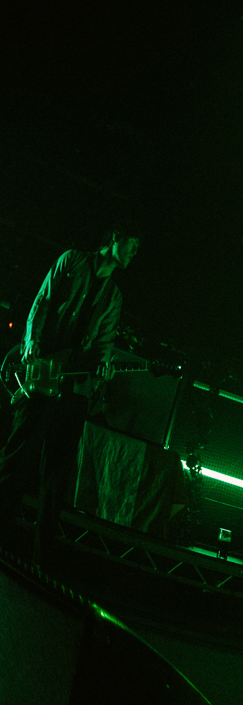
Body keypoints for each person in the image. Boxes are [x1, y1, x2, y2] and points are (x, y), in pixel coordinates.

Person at [0, 230, 139, 564]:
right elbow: (43, 299)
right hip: (43, 372)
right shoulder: (72, 260)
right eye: (132, 243)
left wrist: (103, 367)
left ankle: (41, 558)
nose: (135, 252)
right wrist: (32, 338)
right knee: (18, 454)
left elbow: (103, 344)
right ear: (115, 237)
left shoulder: (114, 296)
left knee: (57, 473)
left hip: (74, 388)